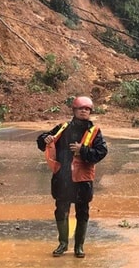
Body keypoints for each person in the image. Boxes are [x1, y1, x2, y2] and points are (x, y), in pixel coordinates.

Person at [36, 96, 108, 258]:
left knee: (82, 212)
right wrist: (44, 138)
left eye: (87, 109)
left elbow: (101, 152)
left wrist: (82, 150)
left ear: (90, 112)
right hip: (63, 179)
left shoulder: (94, 132)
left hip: (83, 180)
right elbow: (43, 141)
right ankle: (62, 243)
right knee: (61, 211)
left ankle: (79, 246)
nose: (84, 111)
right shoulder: (62, 128)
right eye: (81, 108)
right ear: (74, 110)